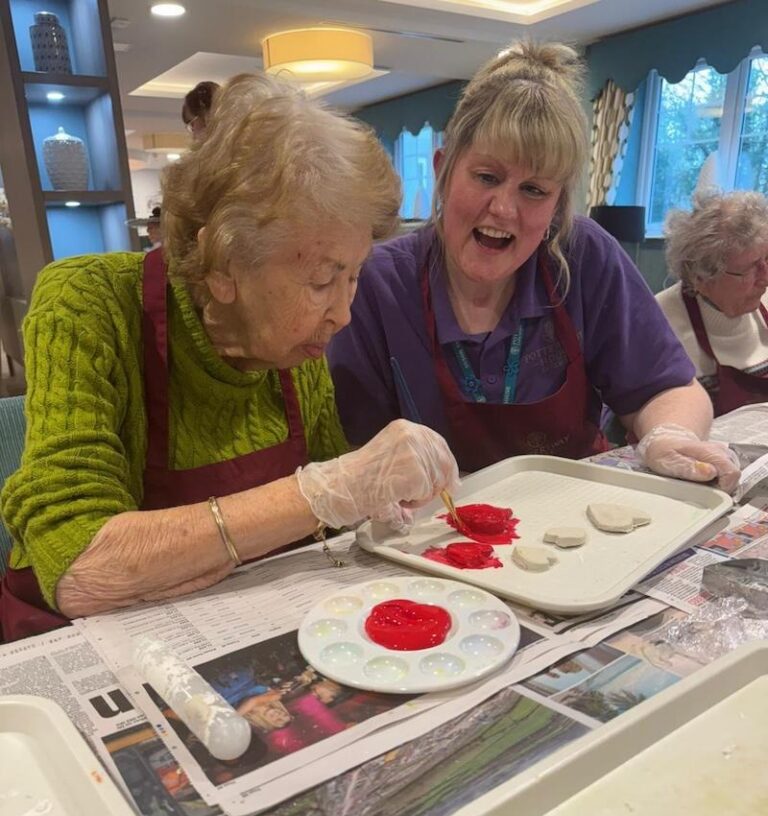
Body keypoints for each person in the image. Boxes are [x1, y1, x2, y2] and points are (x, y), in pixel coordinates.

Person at [0, 73, 458, 642]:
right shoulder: (86, 305)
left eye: (355, 275)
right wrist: (326, 489)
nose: (343, 313)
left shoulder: (292, 342)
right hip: (78, 639)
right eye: (321, 280)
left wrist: (374, 493)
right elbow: (81, 568)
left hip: (229, 623)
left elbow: (326, 515)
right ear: (221, 266)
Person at [328, 41, 740, 493]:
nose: (503, 209)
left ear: (558, 202)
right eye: (486, 177)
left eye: (534, 190)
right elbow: (351, 446)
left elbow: (668, 387)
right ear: (444, 170)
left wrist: (669, 435)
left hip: (575, 520)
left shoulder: (584, 257)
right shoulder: (375, 284)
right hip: (434, 530)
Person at [656, 190, 768, 416]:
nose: (765, 276)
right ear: (701, 278)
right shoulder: (659, 323)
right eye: (750, 269)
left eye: (767, 259)